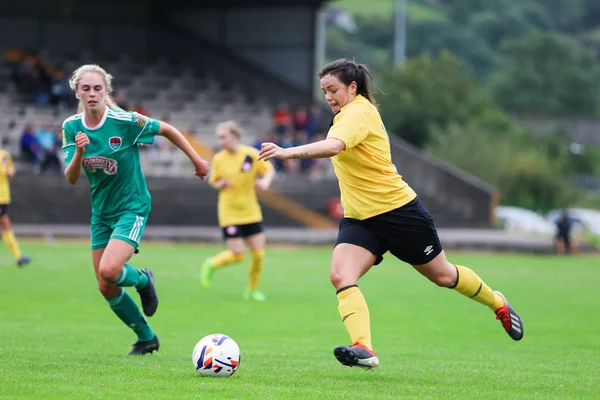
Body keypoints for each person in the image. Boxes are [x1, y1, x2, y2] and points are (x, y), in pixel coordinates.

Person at [258, 58, 524, 370]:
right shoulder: (346, 114)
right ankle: (364, 348)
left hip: (398, 212)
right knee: (341, 275)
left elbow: (333, 147)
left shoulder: (357, 112)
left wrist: (288, 151)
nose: (328, 97)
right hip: (360, 218)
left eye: (333, 90)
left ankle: (498, 303)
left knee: (443, 275)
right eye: (324, 91)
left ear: (352, 87)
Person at [62, 64, 210, 355]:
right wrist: (79, 151)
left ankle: (143, 279)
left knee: (109, 269)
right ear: (77, 92)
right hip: (102, 213)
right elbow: (71, 178)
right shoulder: (71, 127)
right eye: (86, 89)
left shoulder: (124, 120)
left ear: (106, 92)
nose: (92, 94)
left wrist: (197, 160)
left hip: (132, 206)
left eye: (97, 88)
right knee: (106, 286)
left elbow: (166, 129)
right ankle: (146, 338)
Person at [200, 121, 275, 301]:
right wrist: (220, 184)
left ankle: (251, 290)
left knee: (259, 254)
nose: (221, 141)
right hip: (230, 213)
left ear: (235, 136)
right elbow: (213, 181)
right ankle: (211, 264)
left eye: (223, 137)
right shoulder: (219, 158)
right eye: (219, 138)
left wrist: (265, 182)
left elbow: (269, 170)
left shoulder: (250, 154)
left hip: (250, 211)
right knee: (238, 255)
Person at [0, 147, 31, 267]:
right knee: (6, 224)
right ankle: (18, 257)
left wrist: (10, 172)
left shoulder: (4, 155)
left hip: (3, 197)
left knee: (6, 225)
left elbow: (11, 169)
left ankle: (19, 257)